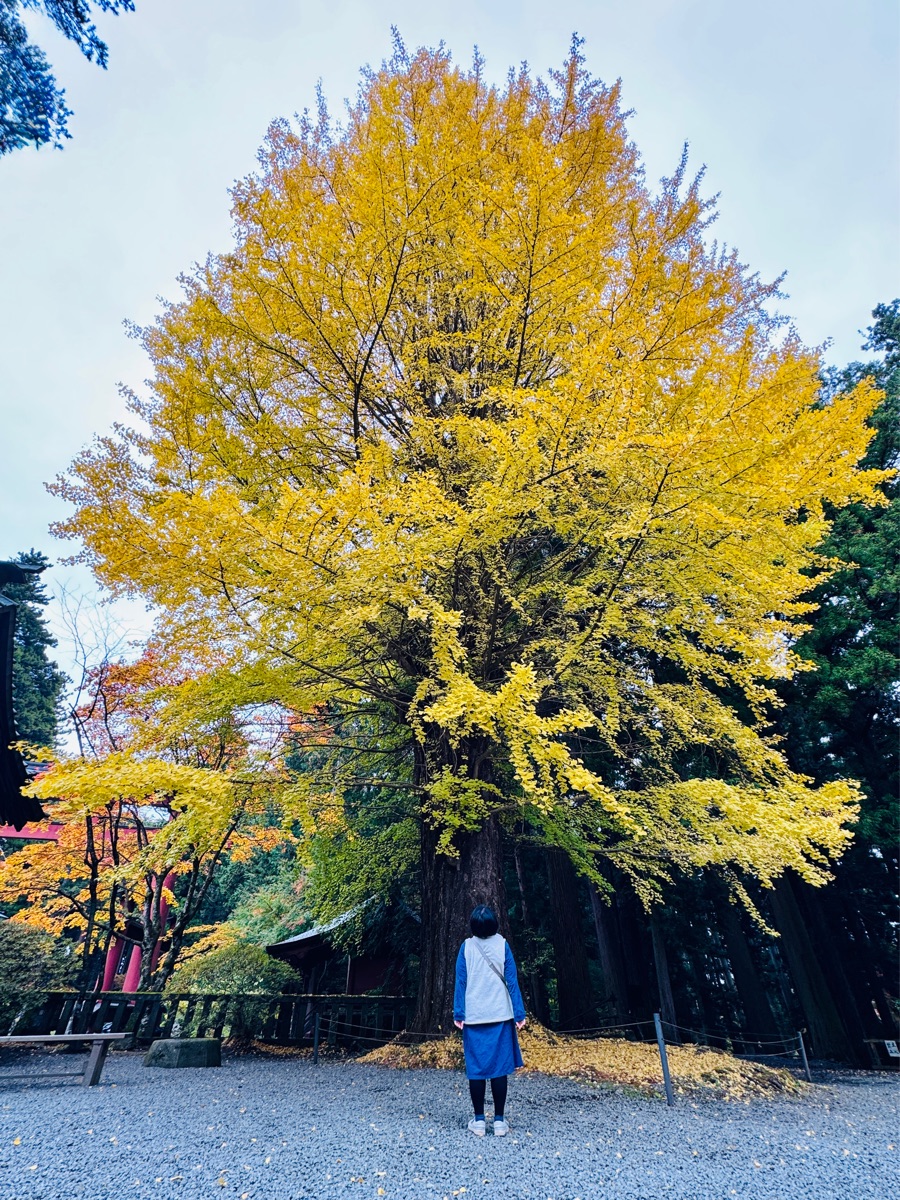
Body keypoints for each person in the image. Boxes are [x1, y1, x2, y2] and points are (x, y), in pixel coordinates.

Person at [453, 905, 527, 1137]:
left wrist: (459, 1013)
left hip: (474, 1017)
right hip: (500, 1015)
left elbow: (460, 982)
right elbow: (513, 981)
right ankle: (499, 1122)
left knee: (476, 1070)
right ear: (495, 924)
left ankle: (478, 1121)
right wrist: (519, 1013)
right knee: (499, 1070)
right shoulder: (503, 945)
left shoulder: (466, 947)